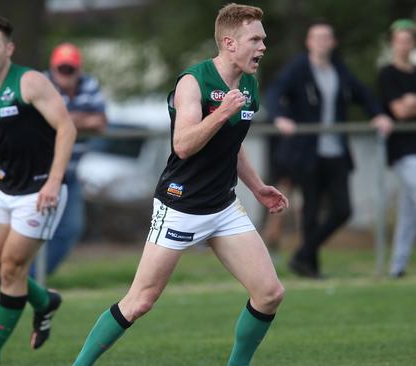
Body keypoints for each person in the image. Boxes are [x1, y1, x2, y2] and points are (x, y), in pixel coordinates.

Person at [73, 4, 288, 365]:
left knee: (269, 293)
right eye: (256, 39)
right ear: (229, 42)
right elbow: (183, 145)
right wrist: (221, 112)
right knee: (140, 301)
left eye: (263, 39)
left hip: (223, 207)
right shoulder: (194, 82)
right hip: (180, 207)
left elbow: (232, 145)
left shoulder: (249, 84)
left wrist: (257, 186)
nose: (263, 47)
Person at [0, 16, 76, 363]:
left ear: (8, 49)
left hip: (40, 192)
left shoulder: (30, 82)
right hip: (6, 190)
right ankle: (44, 301)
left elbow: (66, 128)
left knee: (10, 268)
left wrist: (53, 181)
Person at [266, 20, 392, 279]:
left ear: (332, 43)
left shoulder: (339, 69)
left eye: (327, 37)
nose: (322, 42)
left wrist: (378, 114)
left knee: (343, 209)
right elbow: (275, 91)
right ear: (309, 42)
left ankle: (302, 254)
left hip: (336, 152)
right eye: (317, 37)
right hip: (308, 153)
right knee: (310, 211)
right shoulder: (299, 68)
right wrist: (280, 117)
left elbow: (363, 94)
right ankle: (310, 266)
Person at [37, 42, 107, 275]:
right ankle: (22, 282)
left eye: (70, 69)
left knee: (71, 229)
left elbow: (101, 121)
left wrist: (63, 120)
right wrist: (78, 119)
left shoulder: (89, 84)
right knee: (34, 230)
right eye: (61, 69)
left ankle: (35, 281)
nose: (65, 74)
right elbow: (42, 123)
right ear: (52, 67)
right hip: (42, 172)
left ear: (78, 68)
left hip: (71, 172)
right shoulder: (41, 83)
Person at [378, 19, 416, 278]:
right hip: (403, 150)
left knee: (408, 210)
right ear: (393, 43)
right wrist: (407, 103)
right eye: (399, 40)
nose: (404, 45)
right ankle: (397, 265)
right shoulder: (388, 73)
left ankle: (397, 267)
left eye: (408, 40)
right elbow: (400, 111)